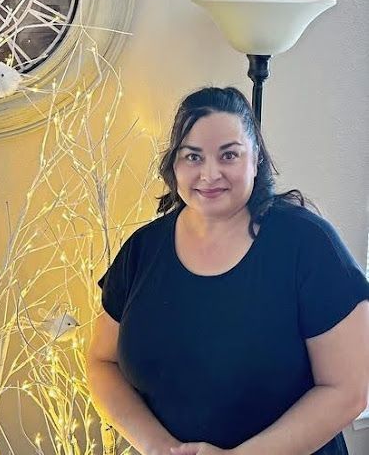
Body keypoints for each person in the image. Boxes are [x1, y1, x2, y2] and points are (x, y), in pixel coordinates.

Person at [86, 86, 369, 455]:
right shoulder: (143, 249)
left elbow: (347, 390)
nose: (209, 173)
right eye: (193, 156)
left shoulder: (308, 244)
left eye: (229, 155)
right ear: (174, 165)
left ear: (256, 161)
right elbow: (100, 361)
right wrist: (158, 447)